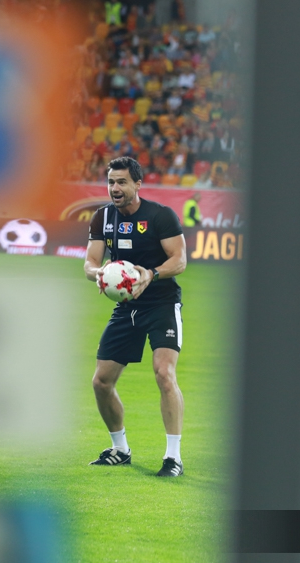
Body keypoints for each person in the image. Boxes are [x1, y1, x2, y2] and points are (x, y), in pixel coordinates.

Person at [84, 156, 188, 477]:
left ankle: (173, 458)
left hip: (161, 303)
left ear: (137, 184)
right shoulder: (103, 218)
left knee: (164, 373)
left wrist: (151, 274)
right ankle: (120, 449)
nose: (114, 188)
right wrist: (101, 274)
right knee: (101, 382)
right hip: (127, 307)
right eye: (111, 182)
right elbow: (89, 263)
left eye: (121, 182)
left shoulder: (160, 216)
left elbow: (179, 260)